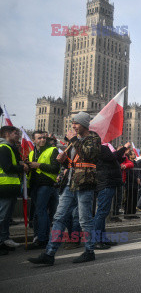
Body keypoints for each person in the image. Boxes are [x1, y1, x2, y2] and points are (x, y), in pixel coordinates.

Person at [28, 111, 101, 265]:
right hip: (69, 183)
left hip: (85, 183)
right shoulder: (74, 142)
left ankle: (89, 251)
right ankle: (49, 253)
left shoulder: (93, 138)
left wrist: (74, 140)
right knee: (59, 217)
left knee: (84, 219)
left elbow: (89, 155)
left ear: (84, 124)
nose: (73, 126)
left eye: (76, 123)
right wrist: (63, 161)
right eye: (73, 123)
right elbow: (72, 164)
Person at [26, 130, 60, 250]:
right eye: (39, 138)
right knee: (37, 213)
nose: (42, 140)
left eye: (44, 138)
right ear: (34, 140)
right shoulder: (31, 153)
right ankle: (38, 237)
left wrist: (38, 165)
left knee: (41, 211)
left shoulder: (52, 150)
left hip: (46, 184)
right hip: (34, 185)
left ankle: (42, 239)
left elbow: (56, 168)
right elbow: (31, 169)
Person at [94, 142, 129, 249]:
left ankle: (102, 238)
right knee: (101, 212)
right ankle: (96, 240)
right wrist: (124, 148)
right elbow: (113, 157)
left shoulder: (103, 147)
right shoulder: (100, 147)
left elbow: (115, 159)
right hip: (106, 183)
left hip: (109, 183)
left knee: (103, 212)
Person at [0, 126, 28, 255]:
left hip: (10, 188)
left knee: (6, 217)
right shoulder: (4, 148)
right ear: (6, 134)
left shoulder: (11, 148)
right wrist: (21, 168)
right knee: (2, 217)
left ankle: (5, 240)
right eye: (15, 133)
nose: (17, 135)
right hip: (4, 187)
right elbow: (7, 167)